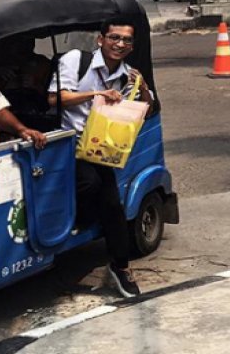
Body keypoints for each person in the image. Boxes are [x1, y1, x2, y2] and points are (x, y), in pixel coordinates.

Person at [47, 16, 154, 298]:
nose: (120, 44)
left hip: (102, 149)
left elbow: (147, 108)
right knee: (90, 185)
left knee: (113, 204)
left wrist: (143, 88)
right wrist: (97, 94)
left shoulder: (128, 74)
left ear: (132, 46)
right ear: (101, 40)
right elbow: (55, 98)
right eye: (114, 38)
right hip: (69, 145)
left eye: (127, 40)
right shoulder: (76, 61)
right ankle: (75, 221)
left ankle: (120, 267)